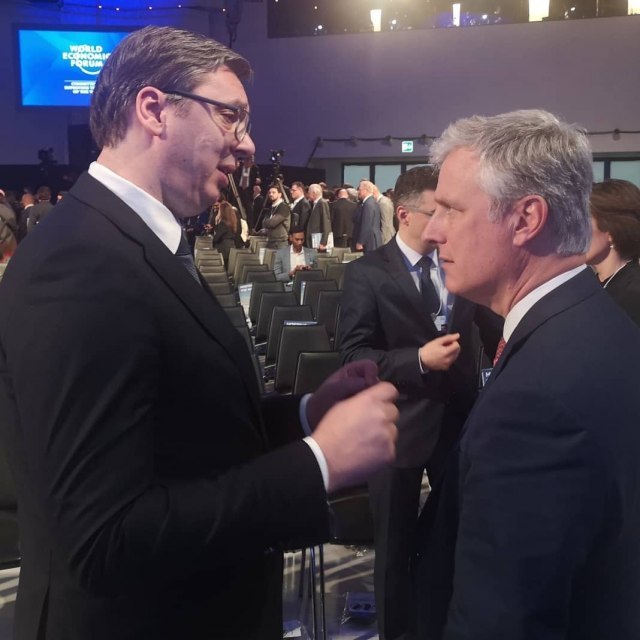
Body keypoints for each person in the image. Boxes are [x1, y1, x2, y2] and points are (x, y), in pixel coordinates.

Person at [0, 26, 400, 640]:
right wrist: (317, 463)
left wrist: (306, 413)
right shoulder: (81, 262)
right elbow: (105, 538)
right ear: (154, 110)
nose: (248, 144)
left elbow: (182, 430)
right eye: (230, 116)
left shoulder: (131, 243)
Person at [411, 109, 640, 640]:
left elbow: (504, 619)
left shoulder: (537, 400)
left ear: (525, 219)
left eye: (451, 209)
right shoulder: (598, 322)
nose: (433, 231)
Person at [338, 166, 500, 640]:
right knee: (393, 548)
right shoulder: (367, 273)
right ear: (405, 214)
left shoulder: (459, 263)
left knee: (456, 538)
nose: (445, 223)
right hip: (397, 426)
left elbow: (494, 332)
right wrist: (418, 360)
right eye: (436, 212)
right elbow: (354, 355)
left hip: (459, 423)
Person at [585, 179, 640, 326]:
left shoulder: (634, 293)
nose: (575, 233)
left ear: (611, 232)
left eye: (583, 223)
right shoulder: (590, 285)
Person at [212, 199, 243, 266]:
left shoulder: (223, 224)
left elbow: (216, 238)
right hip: (232, 248)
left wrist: (217, 223)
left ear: (222, 212)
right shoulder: (233, 222)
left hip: (223, 250)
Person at [259, 183, 291, 249]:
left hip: (280, 242)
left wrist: (267, 222)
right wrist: (267, 222)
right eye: (270, 193)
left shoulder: (283, 207)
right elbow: (263, 222)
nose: (271, 194)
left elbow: (272, 223)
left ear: (280, 194)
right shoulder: (272, 207)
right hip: (271, 241)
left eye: (273, 192)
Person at [353, 180, 382, 252]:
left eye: (359, 190)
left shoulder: (368, 204)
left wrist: (361, 242)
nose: (358, 192)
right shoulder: (372, 201)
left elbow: (366, 224)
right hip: (372, 240)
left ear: (365, 190)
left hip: (369, 242)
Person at [305, 183, 332, 250]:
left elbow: (326, 223)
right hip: (314, 240)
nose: (308, 194)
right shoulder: (315, 204)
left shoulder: (322, 203)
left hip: (318, 241)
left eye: (309, 192)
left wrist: (323, 242)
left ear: (314, 193)